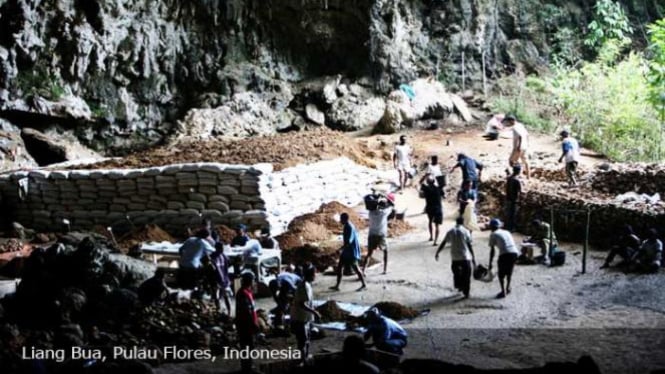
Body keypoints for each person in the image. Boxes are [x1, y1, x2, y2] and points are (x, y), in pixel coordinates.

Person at [435, 216, 477, 298]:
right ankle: (466, 293)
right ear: (463, 222)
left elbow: (444, 242)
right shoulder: (466, 231)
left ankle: (459, 286)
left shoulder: (450, 231)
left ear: (456, 222)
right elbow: (469, 245)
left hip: (455, 258)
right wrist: (473, 257)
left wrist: (438, 252)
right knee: (467, 275)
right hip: (465, 257)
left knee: (456, 273)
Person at [290, 264, 321, 365]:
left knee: (306, 340)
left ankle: (305, 358)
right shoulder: (304, 286)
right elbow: (302, 304)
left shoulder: (307, 285)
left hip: (304, 318)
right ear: (311, 275)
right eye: (315, 273)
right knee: (302, 342)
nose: (316, 275)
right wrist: (314, 312)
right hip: (300, 318)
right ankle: (302, 361)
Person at [330, 213, 367, 291]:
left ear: (344, 219)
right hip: (347, 251)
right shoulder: (348, 226)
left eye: (341, 219)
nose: (340, 221)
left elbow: (348, 242)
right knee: (340, 267)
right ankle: (337, 286)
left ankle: (364, 285)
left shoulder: (348, 227)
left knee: (356, 268)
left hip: (351, 251)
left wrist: (340, 249)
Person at [488, 219, 519, 299]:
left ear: (492, 227)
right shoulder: (506, 232)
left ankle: (503, 291)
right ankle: (508, 287)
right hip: (514, 252)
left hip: (505, 254)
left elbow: (492, 250)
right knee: (509, 271)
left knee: (501, 274)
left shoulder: (493, 234)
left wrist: (490, 263)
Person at [364, 193, 394, 274]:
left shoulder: (371, 213)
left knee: (369, 253)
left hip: (372, 234)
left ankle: (363, 270)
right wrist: (384, 197)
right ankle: (385, 270)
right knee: (385, 251)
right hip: (381, 235)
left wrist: (377, 199)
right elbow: (392, 205)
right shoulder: (384, 213)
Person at [235, 271, 259, 373]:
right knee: (247, 346)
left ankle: (249, 366)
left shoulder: (247, 292)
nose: (254, 282)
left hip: (247, 324)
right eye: (253, 280)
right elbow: (247, 311)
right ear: (250, 281)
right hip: (245, 325)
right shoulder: (243, 294)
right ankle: (247, 368)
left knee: (249, 346)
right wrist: (253, 324)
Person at [502, 114, 530, 179]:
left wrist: (519, 147)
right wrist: (527, 144)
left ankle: (516, 175)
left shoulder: (515, 127)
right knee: (525, 161)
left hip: (518, 148)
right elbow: (527, 135)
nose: (507, 123)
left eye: (508, 122)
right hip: (525, 146)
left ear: (512, 121)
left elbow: (520, 136)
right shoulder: (520, 125)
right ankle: (528, 176)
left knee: (511, 161)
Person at [209, 242, 232, 316]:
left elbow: (227, 266)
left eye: (223, 248)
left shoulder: (224, 256)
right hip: (216, 280)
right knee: (216, 296)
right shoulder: (212, 257)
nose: (222, 249)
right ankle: (218, 310)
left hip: (224, 279)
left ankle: (229, 312)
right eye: (221, 248)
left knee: (226, 296)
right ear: (217, 248)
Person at [420, 176, 443, 245]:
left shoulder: (426, 188)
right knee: (437, 225)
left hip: (430, 208)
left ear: (427, 182)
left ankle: (431, 236)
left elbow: (420, 182)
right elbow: (443, 194)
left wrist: (424, 176)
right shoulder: (438, 189)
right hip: (438, 208)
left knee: (430, 221)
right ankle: (435, 241)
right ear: (434, 181)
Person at [504, 164, 523, 232]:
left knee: (508, 213)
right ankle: (512, 228)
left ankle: (507, 226)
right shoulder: (517, 180)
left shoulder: (509, 178)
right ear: (519, 171)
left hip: (508, 198)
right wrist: (520, 200)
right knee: (513, 214)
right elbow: (520, 191)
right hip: (514, 200)